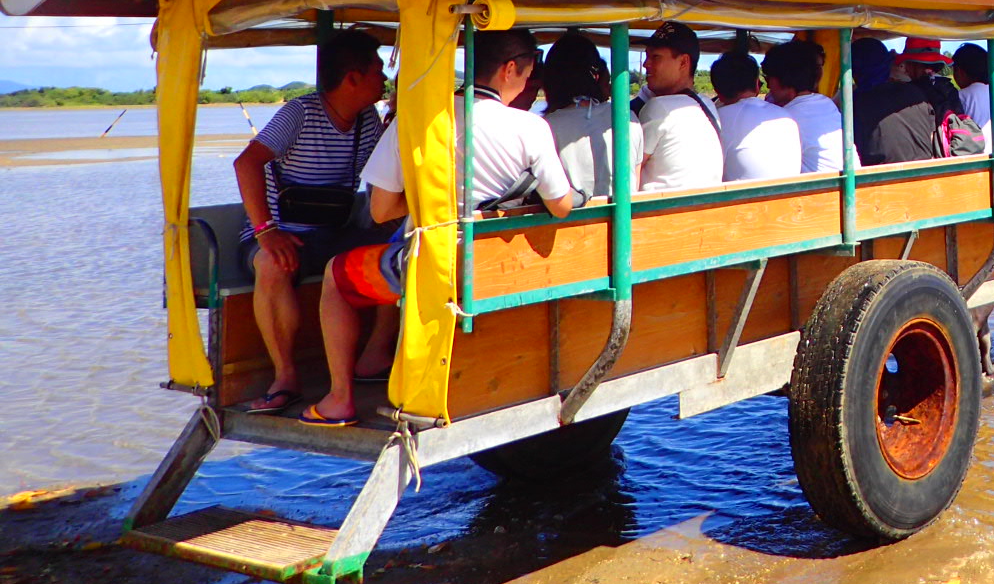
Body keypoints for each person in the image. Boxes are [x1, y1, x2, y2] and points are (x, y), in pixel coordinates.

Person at [302, 29, 578, 427]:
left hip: (431, 263)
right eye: (530, 69)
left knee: (335, 274)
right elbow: (562, 205)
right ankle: (380, 357)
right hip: (498, 266)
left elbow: (380, 211)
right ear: (511, 68)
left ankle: (341, 397)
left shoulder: (418, 118)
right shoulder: (530, 127)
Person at [231, 29, 390, 414]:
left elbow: (387, 173)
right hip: (278, 235)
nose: (383, 79)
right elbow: (246, 163)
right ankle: (285, 378)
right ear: (353, 77)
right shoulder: (300, 113)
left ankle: (374, 355)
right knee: (272, 264)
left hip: (333, 232)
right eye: (377, 70)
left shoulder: (367, 118)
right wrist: (267, 233)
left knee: (399, 248)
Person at [541, 31, 643, 200]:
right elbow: (635, 181)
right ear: (598, 77)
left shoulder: (546, 127)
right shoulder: (627, 118)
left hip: (572, 222)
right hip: (628, 221)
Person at [635, 21, 724, 190]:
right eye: (647, 56)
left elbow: (629, 176)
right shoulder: (707, 105)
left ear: (683, 62)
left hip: (659, 212)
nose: (646, 64)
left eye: (655, 57)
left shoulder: (658, 108)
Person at [852, 38, 966, 165]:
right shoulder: (934, 91)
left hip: (884, 179)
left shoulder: (855, 103)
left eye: (907, 65)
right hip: (928, 172)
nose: (905, 69)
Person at [710, 45, 802, 183]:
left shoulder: (717, 121)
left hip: (742, 202)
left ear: (718, 91)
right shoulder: (785, 116)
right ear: (756, 84)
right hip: (790, 200)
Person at [763, 39, 847, 172]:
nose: (768, 86)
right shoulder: (826, 103)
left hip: (819, 190)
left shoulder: (783, 119)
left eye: (768, 79)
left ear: (782, 78)